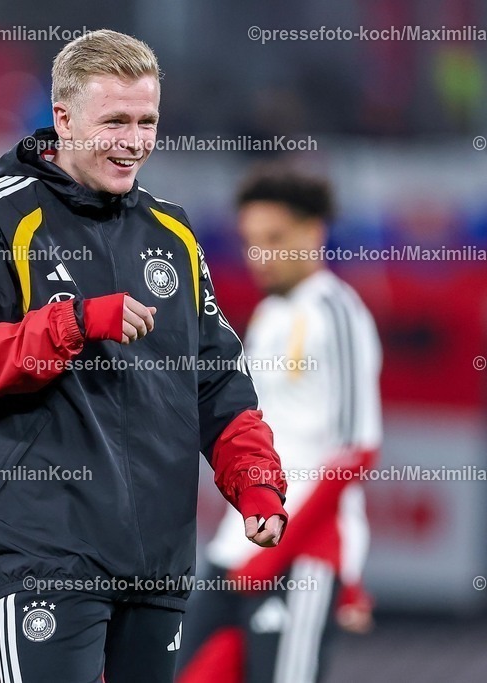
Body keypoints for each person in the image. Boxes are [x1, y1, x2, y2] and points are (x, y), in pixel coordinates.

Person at [0, 30, 290, 683]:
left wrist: (255, 482)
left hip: (158, 564)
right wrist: (76, 322)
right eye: (114, 119)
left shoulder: (172, 233)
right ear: (63, 119)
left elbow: (218, 381)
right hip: (42, 555)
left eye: (146, 121)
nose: (134, 139)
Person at [176, 166, 382, 683]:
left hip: (303, 554)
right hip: (238, 546)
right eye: (250, 241)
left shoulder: (337, 313)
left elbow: (356, 450)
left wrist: (276, 558)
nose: (258, 256)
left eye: (274, 239)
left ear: (314, 233)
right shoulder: (270, 315)